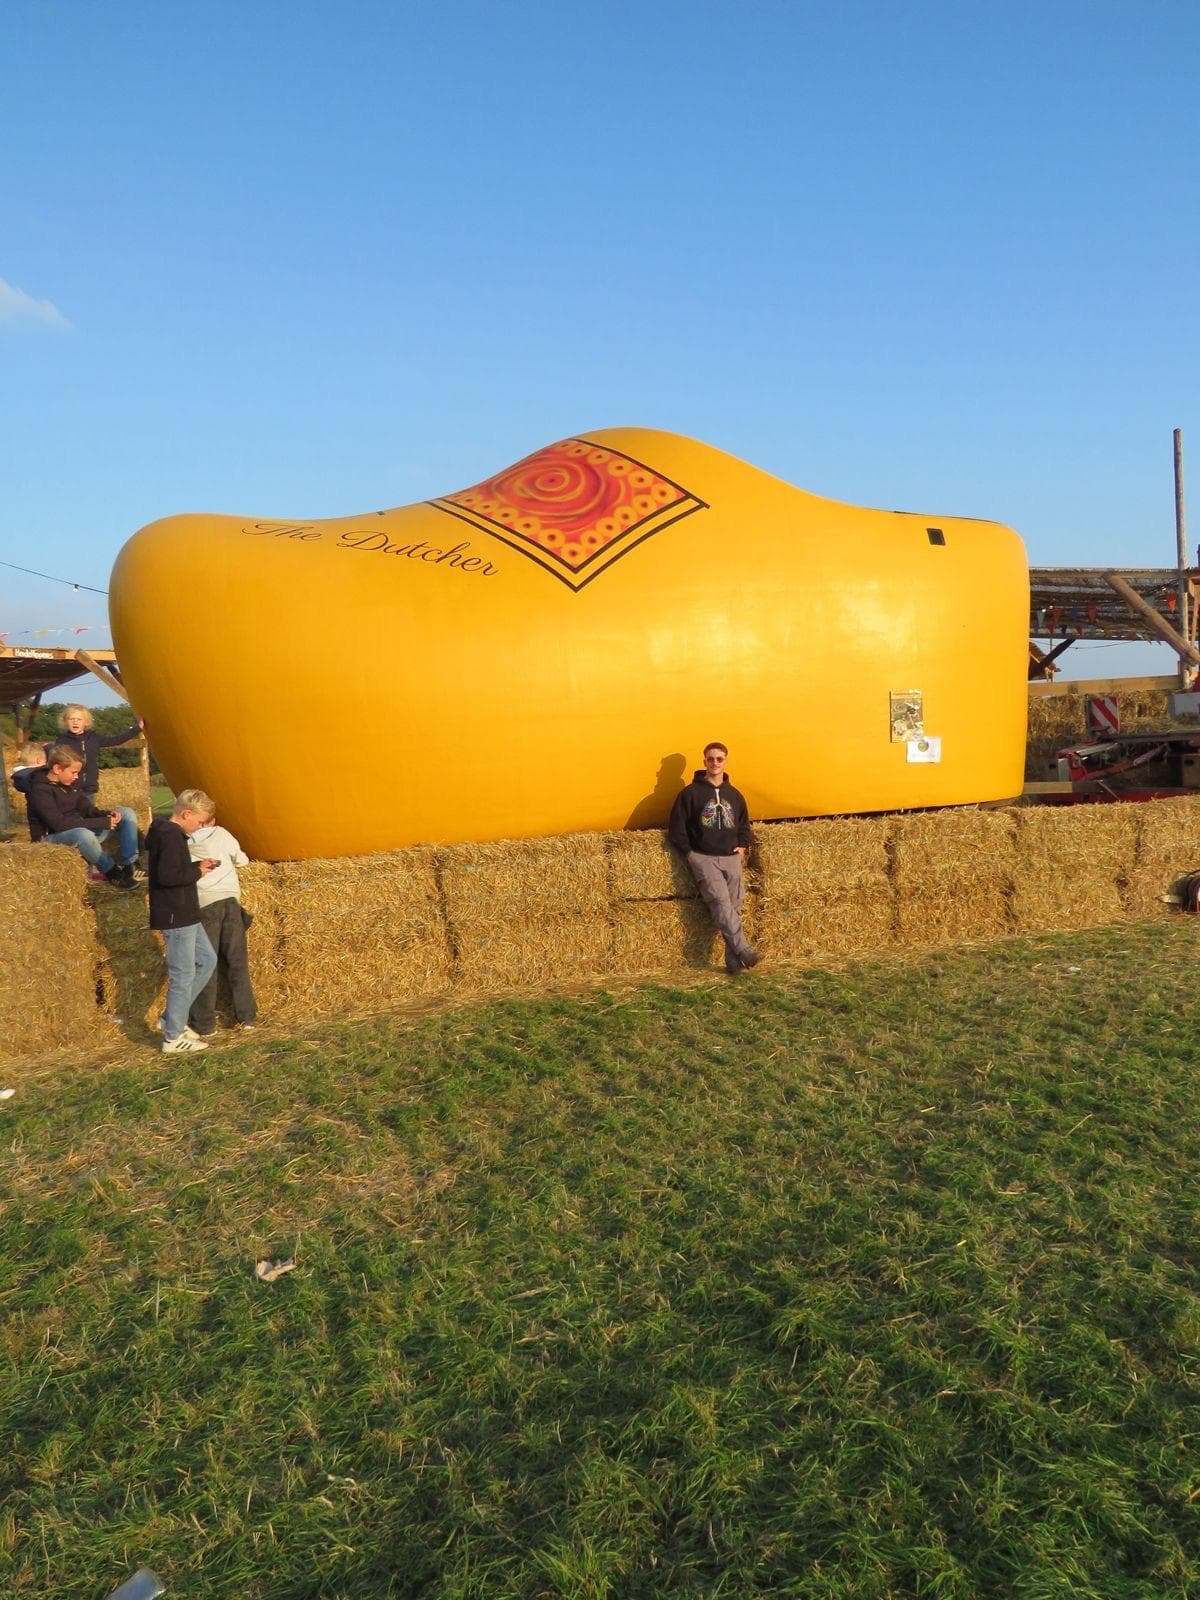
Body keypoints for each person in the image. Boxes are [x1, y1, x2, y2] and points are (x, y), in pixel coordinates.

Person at [668, 740, 760, 975]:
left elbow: (743, 824)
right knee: (720, 903)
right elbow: (677, 828)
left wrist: (741, 846)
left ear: (725, 761)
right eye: (711, 759)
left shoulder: (734, 795)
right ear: (704, 762)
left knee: (733, 906)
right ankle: (744, 949)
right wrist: (690, 855)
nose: (715, 763)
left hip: (731, 857)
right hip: (704, 858)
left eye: (719, 759)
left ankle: (733, 962)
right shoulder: (689, 794)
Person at [148, 788, 221, 1055]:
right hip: (176, 913)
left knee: (207, 960)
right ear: (186, 813)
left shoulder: (170, 835)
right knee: (184, 974)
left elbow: (171, 870)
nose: (199, 827)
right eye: (199, 821)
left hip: (186, 912)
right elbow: (168, 876)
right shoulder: (170, 836)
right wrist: (197, 870)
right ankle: (173, 1037)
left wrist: (196, 865)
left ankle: (171, 1018)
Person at [186, 803, 257, 1036]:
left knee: (207, 964)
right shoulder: (223, 834)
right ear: (213, 820)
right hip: (229, 901)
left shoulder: (184, 841)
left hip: (205, 904)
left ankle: (204, 1024)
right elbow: (242, 860)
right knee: (237, 961)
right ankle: (246, 1018)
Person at [25, 744, 141, 887]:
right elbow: (59, 824)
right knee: (83, 834)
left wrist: (108, 815)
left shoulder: (69, 784)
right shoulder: (39, 791)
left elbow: (87, 810)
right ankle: (113, 873)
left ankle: (129, 866)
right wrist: (102, 823)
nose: (76, 776)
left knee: (126, 813)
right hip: (50, 838)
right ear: (57, 769)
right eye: (73, 772)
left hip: (78, 830)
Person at [47, 704, 142, 804]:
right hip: (68, 788)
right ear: (66, 722)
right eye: (71, 719)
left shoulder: (93, 738)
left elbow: (116, 740)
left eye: (79, 719)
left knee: (87, 815)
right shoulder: (62, 740)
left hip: (88, 788)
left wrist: (137, 728)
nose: (75, 722)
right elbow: (55, 761)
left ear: (86, 722)